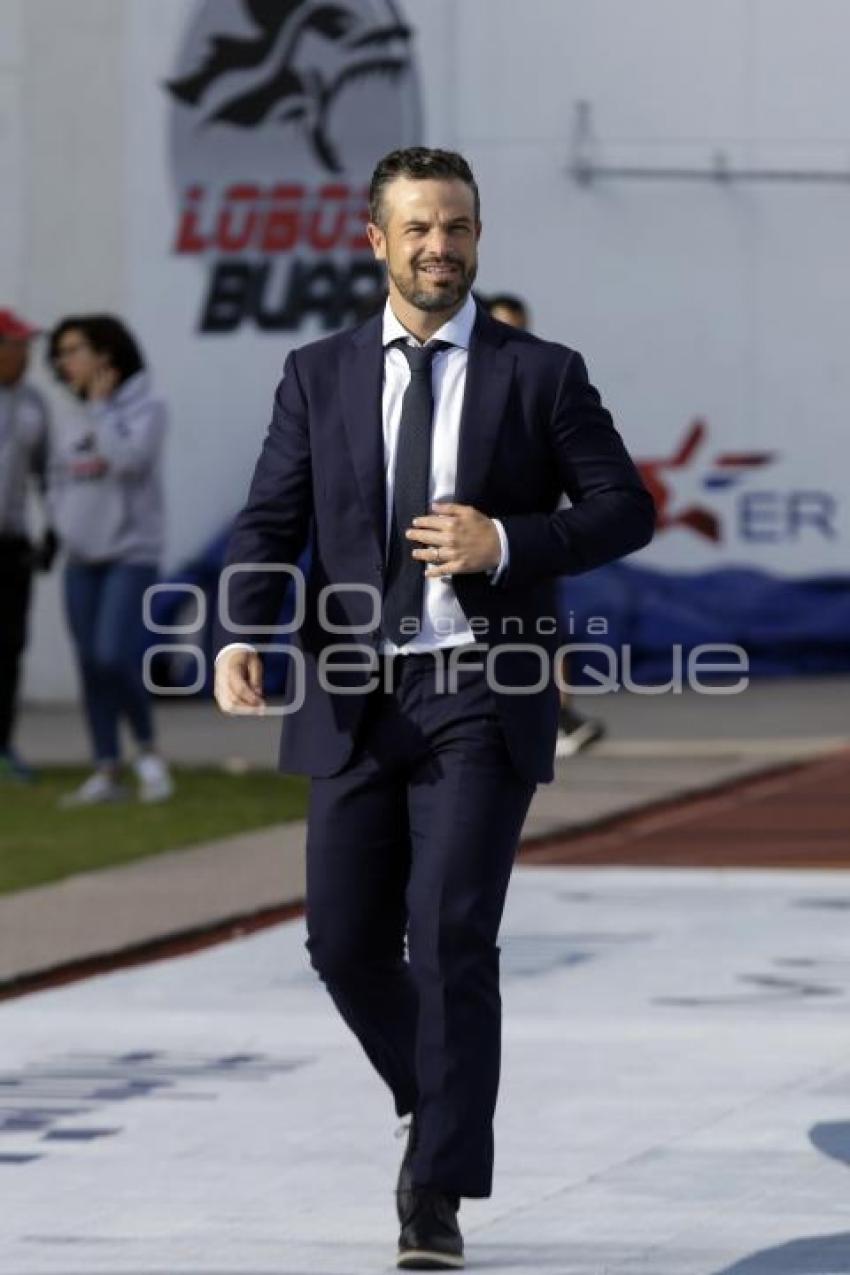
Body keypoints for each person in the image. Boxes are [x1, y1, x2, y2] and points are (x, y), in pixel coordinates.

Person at [214, 147, 654, 1269]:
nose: (438, 248)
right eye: (416, 228)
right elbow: (269, 522)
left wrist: (506, 541)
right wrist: (238, 632)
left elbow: (622, 509)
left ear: (476, 238)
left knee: (450, 933)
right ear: (374, 240)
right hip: (355, 693)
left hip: (482, 685)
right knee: (341, 943)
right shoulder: (316, 375)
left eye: (455, 228)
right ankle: (435, 1102)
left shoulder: (540, 373)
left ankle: (434, 1199)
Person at [47, 314, 173, 805]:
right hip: (81, 558)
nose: (65, 362)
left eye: (74, 350)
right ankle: (106, 767)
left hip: (130, 554)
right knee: (90, 666)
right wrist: (62, 524)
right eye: (60, 354)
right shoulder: (67, 413)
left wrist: (101, 412)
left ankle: (148, 753)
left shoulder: (149, 405)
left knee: (114, 655)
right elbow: (59, 479)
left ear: (106, 353)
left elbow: (128, 462)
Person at [484, 293, 607, 757]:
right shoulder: (457, 381)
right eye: (502, 326)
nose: (512, 336)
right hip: (471, 545)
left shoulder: (547, 377)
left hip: (526, 537)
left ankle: (556, 715)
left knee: (547, 629)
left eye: (519, 326)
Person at [0, 308, 57, 781]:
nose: (26, 355)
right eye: (17, 346)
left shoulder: (34, 403)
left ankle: (3, 744)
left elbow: (46, 473)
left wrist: (52, 528)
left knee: (10, 647)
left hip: (11, 544)